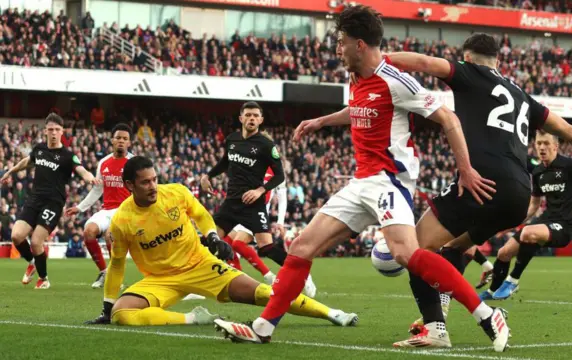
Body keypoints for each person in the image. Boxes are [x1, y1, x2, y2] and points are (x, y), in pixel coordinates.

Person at [213, 6, 512, 352]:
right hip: (360, 183)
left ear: (359, 44)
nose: (336, 49)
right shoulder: (355, 78)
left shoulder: (396, 80)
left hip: (390, 182)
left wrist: (466, 170)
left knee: (406, 254)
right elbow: (357, 111)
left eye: (340, 42)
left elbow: (448, 119)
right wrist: (322, 121)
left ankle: (487, 315)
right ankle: (263, 327)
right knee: (302, 246)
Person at [384, 34, 572, 348]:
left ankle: (439, 326)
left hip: (483, 182)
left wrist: (379, 61)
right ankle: (442, 304)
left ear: (469, 58)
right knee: (453, 251)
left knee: (414, 249)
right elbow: (566, 129)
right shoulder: (521, 94)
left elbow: (421, 62)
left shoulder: (468, 72)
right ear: (497, 61)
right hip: (518, 193)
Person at [85, 156, 358, 328]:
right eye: (145, 183)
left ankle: (331, 313)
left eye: (155, 180)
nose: (154, 186)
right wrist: (107, 308)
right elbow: (118, 265)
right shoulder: (122, 221)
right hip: (160, 279)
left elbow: (202, 215)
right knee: (123, 315)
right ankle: (194, 318)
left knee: (264, 293)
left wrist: (213, 236)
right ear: (130, 186)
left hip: (201, 265)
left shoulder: (176, 193)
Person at [483, 130, 572, 300]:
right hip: (545, 221)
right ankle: (493, 292)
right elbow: (534, 205)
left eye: (546, 143)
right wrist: (513, 224)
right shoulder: (538, 172)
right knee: (503, 252)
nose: (542, 148)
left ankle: (513, 280)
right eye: (538, 144)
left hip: (564, 225)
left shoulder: (571, 166)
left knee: (529, 233)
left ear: (555, 146)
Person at [201, 102, 316, 297]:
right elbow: (224, 162)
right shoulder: (232, 140)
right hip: (231, 203)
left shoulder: (266, 145)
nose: (252, 118)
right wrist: (208, 176)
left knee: (268, 248)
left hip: (253, 205)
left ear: (261, 120)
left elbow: (280, 176)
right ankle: (196, 283)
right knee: (209, 241)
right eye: (248, 115)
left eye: (255, 115)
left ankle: (304, 275)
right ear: (241, 118)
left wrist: (259, 190)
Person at [0, 113, 98, 289]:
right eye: (50, 129)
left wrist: (91, 178)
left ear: (62, 132)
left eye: (57, 130)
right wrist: (10, 171)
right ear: (45, 130)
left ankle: (43, 279)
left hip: (53, 203)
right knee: (16, 236)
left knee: (37, 241)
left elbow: (81, 169)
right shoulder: (39, 149)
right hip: (34, 199)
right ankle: (31, 262)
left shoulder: (68, 156)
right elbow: (26, 162)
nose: (53, 133)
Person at [64, 123, 134, 288]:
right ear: (112, 140)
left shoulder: (134, 163)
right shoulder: (104, 162)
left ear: (129, 143)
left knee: (110, 235)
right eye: (118, 138)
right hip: (107, 210)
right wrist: (79, 208)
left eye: (125, 139)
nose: (121, 141)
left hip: (126, 210)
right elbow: (97, 190)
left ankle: (116, 278)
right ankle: (104, 272)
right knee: (88, 231)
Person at [225, 160, 288, 286]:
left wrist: (280, 222)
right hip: (241, 211)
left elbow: (282, 199)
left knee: (238, 244)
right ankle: (239, 280)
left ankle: (271, 274)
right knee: (226, 242)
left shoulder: (276, 173)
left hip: (257, 213)